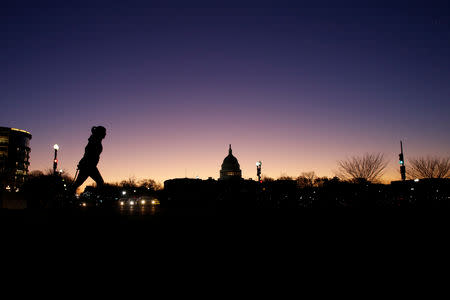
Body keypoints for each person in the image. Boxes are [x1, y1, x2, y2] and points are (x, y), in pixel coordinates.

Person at [71, 126, 106, 194]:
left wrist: (81, 162)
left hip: (88, 165)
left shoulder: (95, 140)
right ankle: (95, 197)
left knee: (78, 183)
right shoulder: (94, 141)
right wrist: (82, 162)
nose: (105, 134)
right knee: (100, 182)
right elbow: (88, 153)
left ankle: (68, 195)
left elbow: (87, 153)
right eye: (104, 132)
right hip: (89, 166)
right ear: (100, 133)